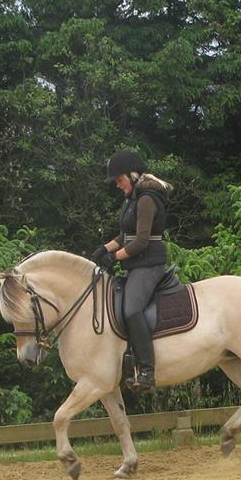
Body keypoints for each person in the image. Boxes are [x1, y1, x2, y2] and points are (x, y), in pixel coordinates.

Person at [89, 149, 174, 391]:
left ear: (132, 175)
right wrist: (102, 249)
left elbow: (141, 241)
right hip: (136, 264)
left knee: (132, 309)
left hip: (149, 264)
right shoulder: (132, 198)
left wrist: (113, 258)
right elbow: (126, 235)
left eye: (119, 179)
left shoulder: (146, 199)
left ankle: (147, 370)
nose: (117, 184)